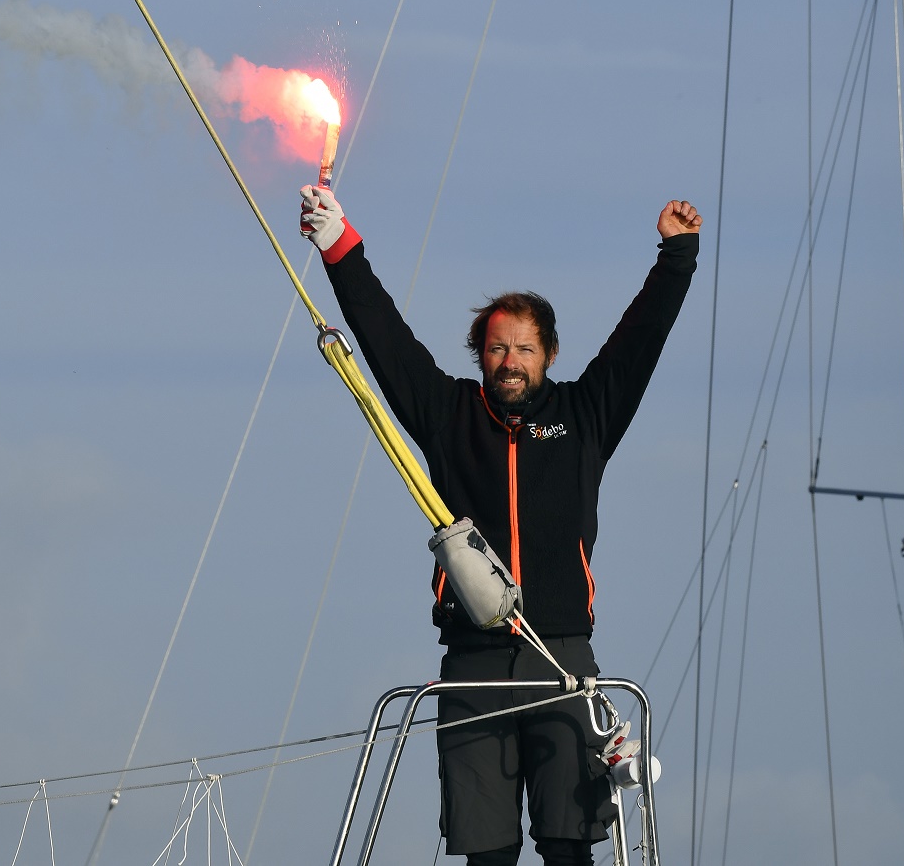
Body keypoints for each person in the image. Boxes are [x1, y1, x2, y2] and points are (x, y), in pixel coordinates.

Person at [299, 185, 700, 866]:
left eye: (522, 349)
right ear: (478, 355)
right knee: (486, 855)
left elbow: (639, 342)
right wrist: (339, 245)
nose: (508, 361)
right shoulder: (448, 414)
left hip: (562, 658)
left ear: (547, 354)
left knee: (569, 846)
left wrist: (676, 255)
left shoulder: (585, 415)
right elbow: (385, 337)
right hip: (472, 661)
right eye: (495, 349)